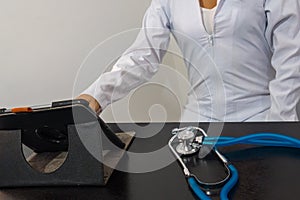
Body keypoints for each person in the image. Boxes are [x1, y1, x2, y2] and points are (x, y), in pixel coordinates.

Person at [78, 0, 300, 121]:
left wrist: (281, 124)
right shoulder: (167, 2)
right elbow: (142, 56)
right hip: (198, 119)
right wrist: (97, 94)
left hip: (261, 116)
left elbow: (291, 61)